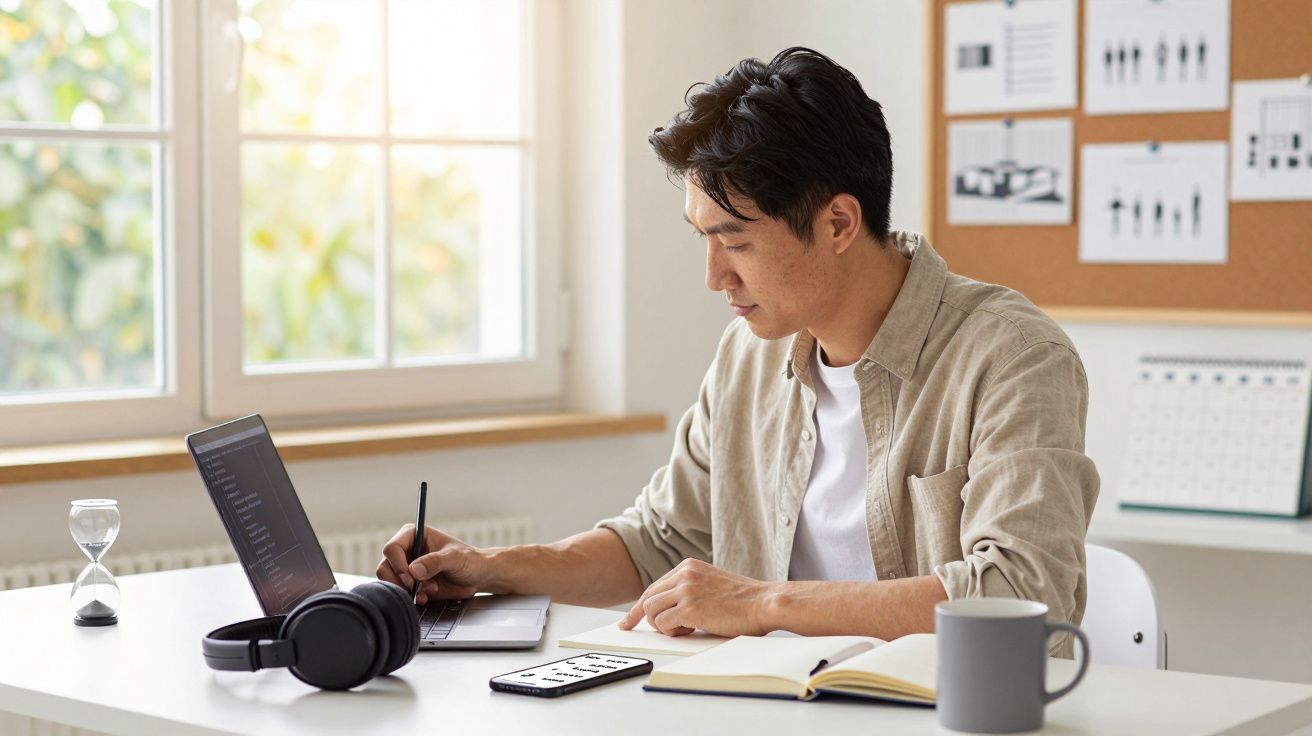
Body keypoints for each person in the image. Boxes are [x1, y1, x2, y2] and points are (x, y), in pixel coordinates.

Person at [377, 47, 1099, 656]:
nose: (715, 277)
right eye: (706, 238)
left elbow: (1016, 592)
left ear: (839, 222)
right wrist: (490, 567)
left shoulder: (1013, 356)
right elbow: (659, 542)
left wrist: (760, 603)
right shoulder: (749, 356)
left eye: (736, 241)